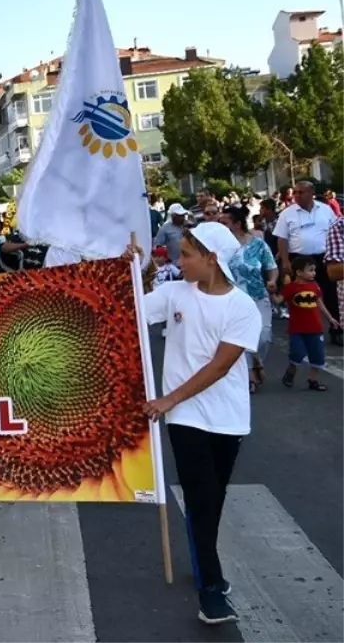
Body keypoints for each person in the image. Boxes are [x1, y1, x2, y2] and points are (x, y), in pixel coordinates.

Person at [139, 223, 261, 626]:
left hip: (227, 418)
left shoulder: (241, 307)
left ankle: (205, 562)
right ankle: (210, 590)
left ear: (212, 259)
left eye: (188, 254)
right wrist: (136, 273)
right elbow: (131, 310)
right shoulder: (175, 293)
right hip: (185, 417)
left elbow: (222, 365)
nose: (180, 260)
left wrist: (169, 398)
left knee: (213, 499)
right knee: (202, 497)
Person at [274, 181, 338, 343]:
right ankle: (301, 331)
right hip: (299, 259)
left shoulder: (325, 210)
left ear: (311, 193)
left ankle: (337, 329)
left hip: (324, 258)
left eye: (300, 192)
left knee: (330, 293)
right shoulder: (287, 214)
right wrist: (286, 262)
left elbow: (336, 231)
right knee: (300, 295)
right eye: (295, 192)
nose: (296, 195)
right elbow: (282, 238)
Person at [223, 205, 277, 392]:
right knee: (241, 337)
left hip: (258, 295)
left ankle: (257, 360)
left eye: (226, 222)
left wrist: (272, 280)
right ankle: (249, 376)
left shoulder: (258, 244)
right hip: (233, 299)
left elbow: (271, 267)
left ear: (237, 224)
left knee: (264, 336)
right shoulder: (221, 248)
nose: (222, 226)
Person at [277, 257, 339, 392]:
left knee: (318, 355)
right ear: (299, 272)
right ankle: (291, 370)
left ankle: (313, 379)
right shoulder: (291, 288)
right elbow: (278, 300)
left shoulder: (314, 286)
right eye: (310, 270)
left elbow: (319, 303)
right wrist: (272, 291)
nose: (314, 273)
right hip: (297, 329)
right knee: (297, 353)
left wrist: (330, 318)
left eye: (314, 270)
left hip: (315, 328)